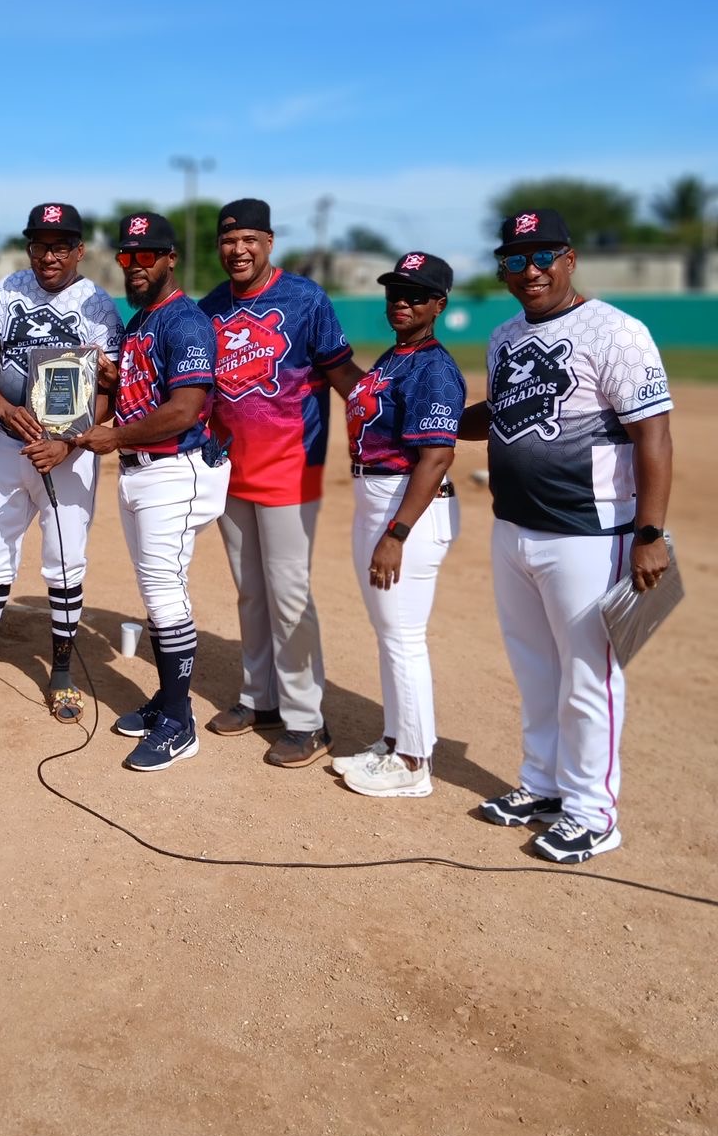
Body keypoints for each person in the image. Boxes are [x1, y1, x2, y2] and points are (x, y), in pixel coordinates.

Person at [458, 208, 673, 863]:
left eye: (541, 256)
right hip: (514, 527)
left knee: (590, 676)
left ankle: (594, 812)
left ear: (569, 258)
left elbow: (654, 436)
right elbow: (502, 414)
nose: (528, 271)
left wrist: (651, 533)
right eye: (514, 261)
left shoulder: (616, 332)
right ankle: (545, 784)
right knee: (535, 668)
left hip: (591, 533)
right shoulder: (503, 338)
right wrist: (434, 421)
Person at [0, 203, 124, 723]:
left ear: (80, 251)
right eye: (40, 244)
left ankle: (61, 675)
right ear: (29, 248)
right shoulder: (9, 290)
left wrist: (71, 443)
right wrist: (2, 408)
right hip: (9, 443)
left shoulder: (99, 306)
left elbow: (109, 389)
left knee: (65, 563)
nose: (49, 255)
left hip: (69, 454)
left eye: (60, 245)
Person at [197, 199, 361, 768]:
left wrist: (387, 423)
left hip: (292, 466)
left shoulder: (305, 298)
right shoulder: (210, 307)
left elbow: (341, 371)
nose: (237, 250)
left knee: (289, 593)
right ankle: (258, 697)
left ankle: (306, 718)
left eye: (249, 239)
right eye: (227, 240)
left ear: (269, 242)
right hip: (229, 468)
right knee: (249, 589)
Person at [77, 212, 231, 772]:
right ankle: (168, 700)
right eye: (126, 256)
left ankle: (179, 723)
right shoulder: (142, 321)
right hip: (142, 471)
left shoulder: (185, 322)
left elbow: (186, 408)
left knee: (165, 594)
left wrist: (113, 433)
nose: (135, 265)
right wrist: (119, 385)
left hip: (175, 468)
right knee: (155, 590)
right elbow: (150, 389)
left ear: (170, 259)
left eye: (147, 256)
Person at [335, 252, 465, 797]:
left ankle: (414, 764)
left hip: (408, 506)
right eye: (395, 293)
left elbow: (436, 458)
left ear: (439, 304)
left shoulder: (432, 365)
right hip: (379, 498)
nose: (402, 302)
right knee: (390, 634)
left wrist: (397, 534)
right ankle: (395, 741)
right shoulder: (396, 356)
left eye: (415, 294)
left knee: (404, 637)